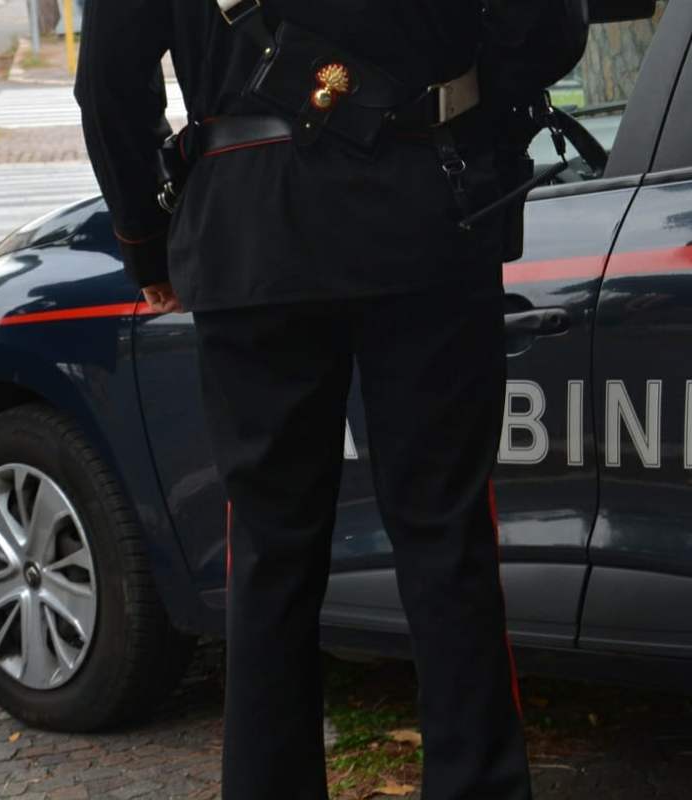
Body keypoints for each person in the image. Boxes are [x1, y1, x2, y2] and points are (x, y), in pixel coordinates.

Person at [77, 1, 540, 798]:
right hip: (424, 215)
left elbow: (108, 84)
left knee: (269, 550)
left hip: (249, 231)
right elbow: (546, 28)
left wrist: (143, 242)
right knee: (445, 535)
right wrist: (462, 123)